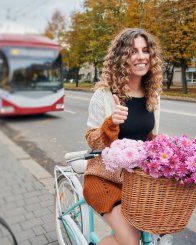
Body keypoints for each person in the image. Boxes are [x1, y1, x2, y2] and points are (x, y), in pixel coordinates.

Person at [83, 28, 163, 244]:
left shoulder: (152, 96)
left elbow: (151, 139)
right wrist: (112, 123)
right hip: (105, 177)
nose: (141, 57)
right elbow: (92, 140)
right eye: (133, 51)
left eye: (145, 51)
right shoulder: (104, 94)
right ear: (120, 58)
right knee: (130, 239)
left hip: (137, 179)